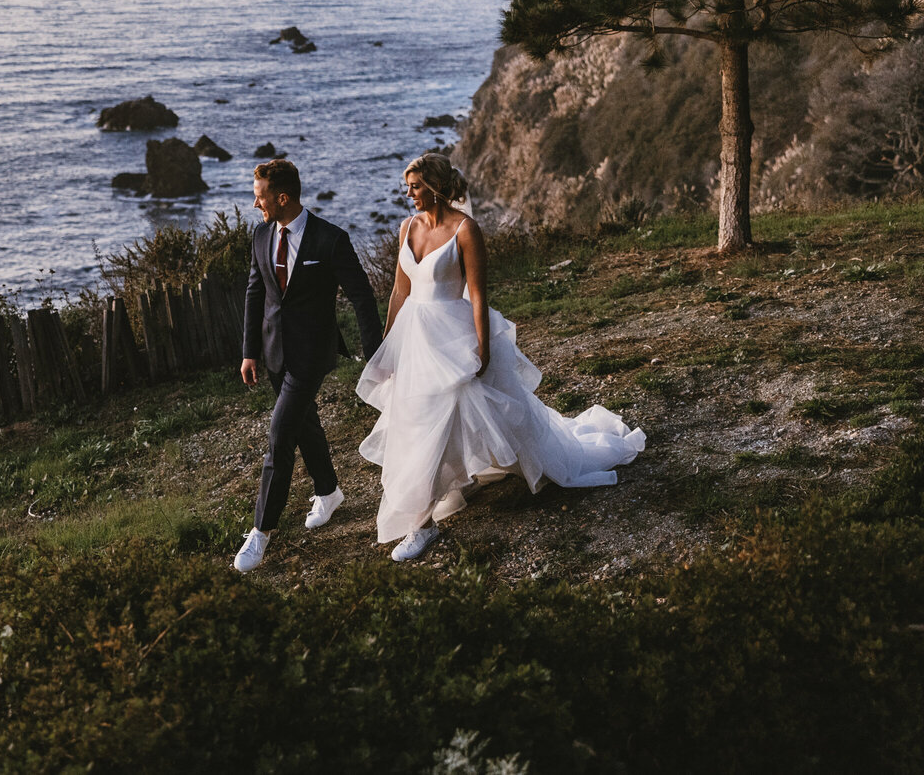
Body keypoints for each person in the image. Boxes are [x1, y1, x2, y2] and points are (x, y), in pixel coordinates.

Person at [357, 153, 645, 561]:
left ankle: (420, 525)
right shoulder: (407, 227)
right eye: (407, 187)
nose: (409, 194)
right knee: (414, 423)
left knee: (461, 416)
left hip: (451, 338)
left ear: (436, 186)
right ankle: (430, 511)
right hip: (413, 341)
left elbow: (477, 294)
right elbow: (400, 293)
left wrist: (483, 349)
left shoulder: (465, 230)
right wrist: (387, 348)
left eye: (415, 186)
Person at [234, 159, 383, 573]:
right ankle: (329, 490)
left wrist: (376, 355)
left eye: (260, 196)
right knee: (304, 425)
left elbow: (362, 298)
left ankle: (261, 533)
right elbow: (254, 293)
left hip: (311, 354)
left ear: (282, 197)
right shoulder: (261, 234)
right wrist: (249, 351)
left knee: (279, 437)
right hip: (271, 352)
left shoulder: (330, 240)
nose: (255, 203)